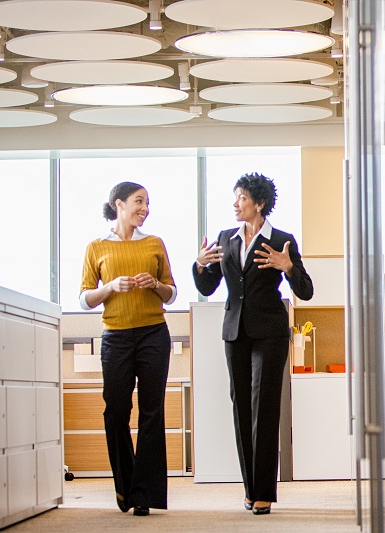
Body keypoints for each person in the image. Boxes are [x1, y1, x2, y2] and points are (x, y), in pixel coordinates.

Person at [192, 172, 313, 515]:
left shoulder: (282, 239)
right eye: (235, 197)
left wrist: (288, 268)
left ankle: (264, 493)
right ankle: (250, 489)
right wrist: (200, 265)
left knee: (265, 407)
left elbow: (305, 290)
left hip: (271, 332)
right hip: (235, 332)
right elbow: (208, 286)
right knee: (241, 407)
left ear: (259, 203)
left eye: (241, 198)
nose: (235, 203)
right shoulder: (226, 238)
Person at [79, 181, 177, 517]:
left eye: (147, 203)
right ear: (119, 204)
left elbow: (171, 293)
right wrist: (109, 287)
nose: (145, 209)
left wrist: (156, 285)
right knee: (116, 411)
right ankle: (125, 486)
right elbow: (84, 299)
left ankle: (144, 495)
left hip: (153, 334)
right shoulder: (96, 246)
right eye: (139, 202)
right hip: (116, 337)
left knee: (152, 413)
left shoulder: (154, 243)